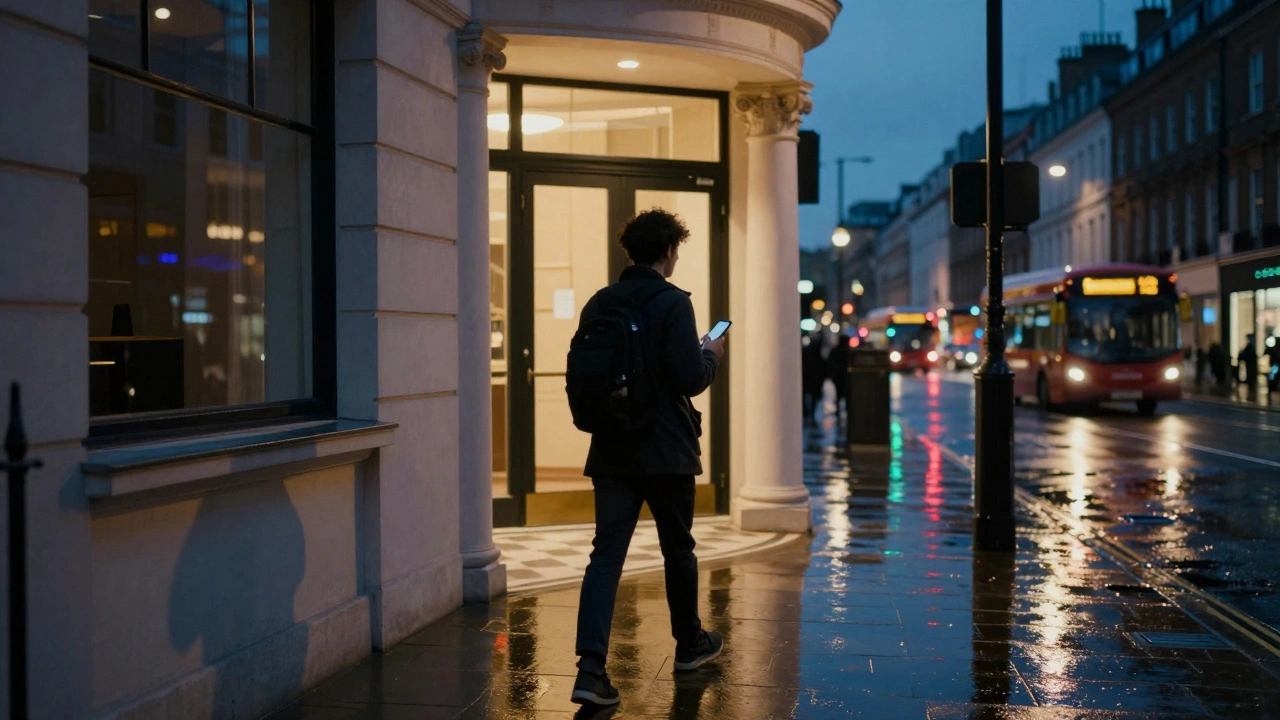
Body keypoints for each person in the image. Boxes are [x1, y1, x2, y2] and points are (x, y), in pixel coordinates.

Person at [570, 209, 727, 707]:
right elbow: (689, 379)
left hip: (612, 448)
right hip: (665, 451)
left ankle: (590, 670)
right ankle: (689, 645)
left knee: (606, 555)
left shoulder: (600, 301)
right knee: (677, 548)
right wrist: (712, 355)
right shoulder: (671, 302)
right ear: (668, 251)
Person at [802, 334, 826, 425]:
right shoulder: (817, 354)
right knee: (812, 396)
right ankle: (809, 412)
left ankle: (807, 412)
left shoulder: (808, 353)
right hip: (812, 378)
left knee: (807, 395)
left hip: (809, 378)